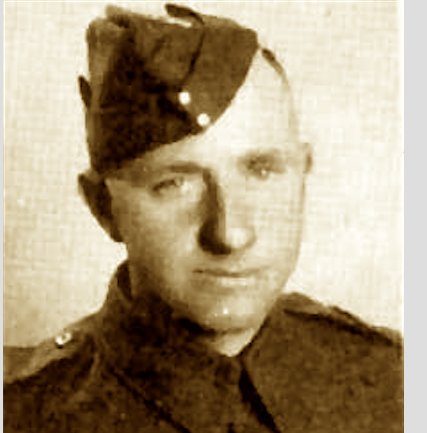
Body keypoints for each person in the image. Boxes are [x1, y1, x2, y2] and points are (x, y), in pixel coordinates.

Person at [4, 4, 403, 433]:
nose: (231, 234)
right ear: (104, 207)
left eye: (261, 171)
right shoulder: (22, 414)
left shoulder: (394, 379)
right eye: (174, 183)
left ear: (303, 176)